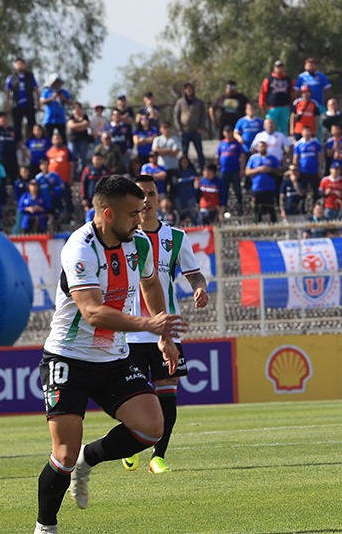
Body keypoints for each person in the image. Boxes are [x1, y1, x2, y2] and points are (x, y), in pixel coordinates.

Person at [31, 175, 186, 534]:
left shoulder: (141, 244)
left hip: (113, 357)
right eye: (133, 214)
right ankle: (45, 528)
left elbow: (149, 283)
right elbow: (92, 312)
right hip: (67, 357)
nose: (140, 220)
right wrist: (148, 325)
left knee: (151, 427)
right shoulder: (79, 247)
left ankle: (91, 458)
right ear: (108, 213)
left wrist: (163, 333)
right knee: (63, 454)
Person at [119, 176, 209, 475]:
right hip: (130, 331)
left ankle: (158, 456)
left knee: (168, 394)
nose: (146, 200)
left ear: (159, 199)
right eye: (140, 194)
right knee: (129, 399)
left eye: (151, 194)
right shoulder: (120, 236)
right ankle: (129, 444)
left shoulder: (176, 237)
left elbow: (194, 273)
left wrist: (199, 287)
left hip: (165, 329)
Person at [174, 83, 209, 168]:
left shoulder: (199, 102)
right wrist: (179, 129)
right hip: (185, 131)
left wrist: (201, 127)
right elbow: (176, 116)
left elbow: (203, 115)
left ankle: (203, 168)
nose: (189, 91)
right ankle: (185, 170)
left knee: (199, 151)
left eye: (190, 89)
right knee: (184, 152)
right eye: (187, 89)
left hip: (196, 130)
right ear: (184, 90)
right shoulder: (180, 102)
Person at [245, 140, 281, 223]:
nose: (262, 148)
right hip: (257, 188)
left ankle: (274, 226)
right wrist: (259, 170)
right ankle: (257, 226)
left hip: (270, 188)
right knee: (257, 210)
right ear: (257, 148)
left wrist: (270, 170)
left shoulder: (272, 158)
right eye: (260, 146)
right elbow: (247, 172)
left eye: (263, 146)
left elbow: (279, 172)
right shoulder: (253, 158)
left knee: (271, 209)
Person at [5, 58, 40, 137]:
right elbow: (7, 92)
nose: (20, 65)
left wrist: (39, 104)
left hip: (29, 104)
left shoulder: (30, 76)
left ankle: (32, 141)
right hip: (16, 105)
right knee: (17, 126)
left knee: (32, 125)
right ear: (14, 65)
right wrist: (7, 105)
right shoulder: (11, 77)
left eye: (22, 63)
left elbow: (37, 90)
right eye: (18, 64)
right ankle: (19, 144)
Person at [258, 63, 292, 135]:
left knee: (283, 127)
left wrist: (291, 105)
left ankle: (282, 144)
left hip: (285, 107)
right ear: (274, 68)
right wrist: (262, 105)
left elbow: (293, 92)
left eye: (281, 67)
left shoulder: (288, 79)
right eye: (278, 67)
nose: (280, 69)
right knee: (271, 126)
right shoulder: (269, 79)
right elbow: (263, 93)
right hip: (272, 108)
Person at [39, 75, 70, 141]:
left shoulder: (64, 92)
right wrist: (52, 98)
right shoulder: (47, 91)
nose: (57, 84)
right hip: (49, 119)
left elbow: (70, 103)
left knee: (62, 138)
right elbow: (41, 101)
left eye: (58, 82)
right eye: (55, 82)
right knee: (48, 138)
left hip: (61, 119)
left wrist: (63, 98)